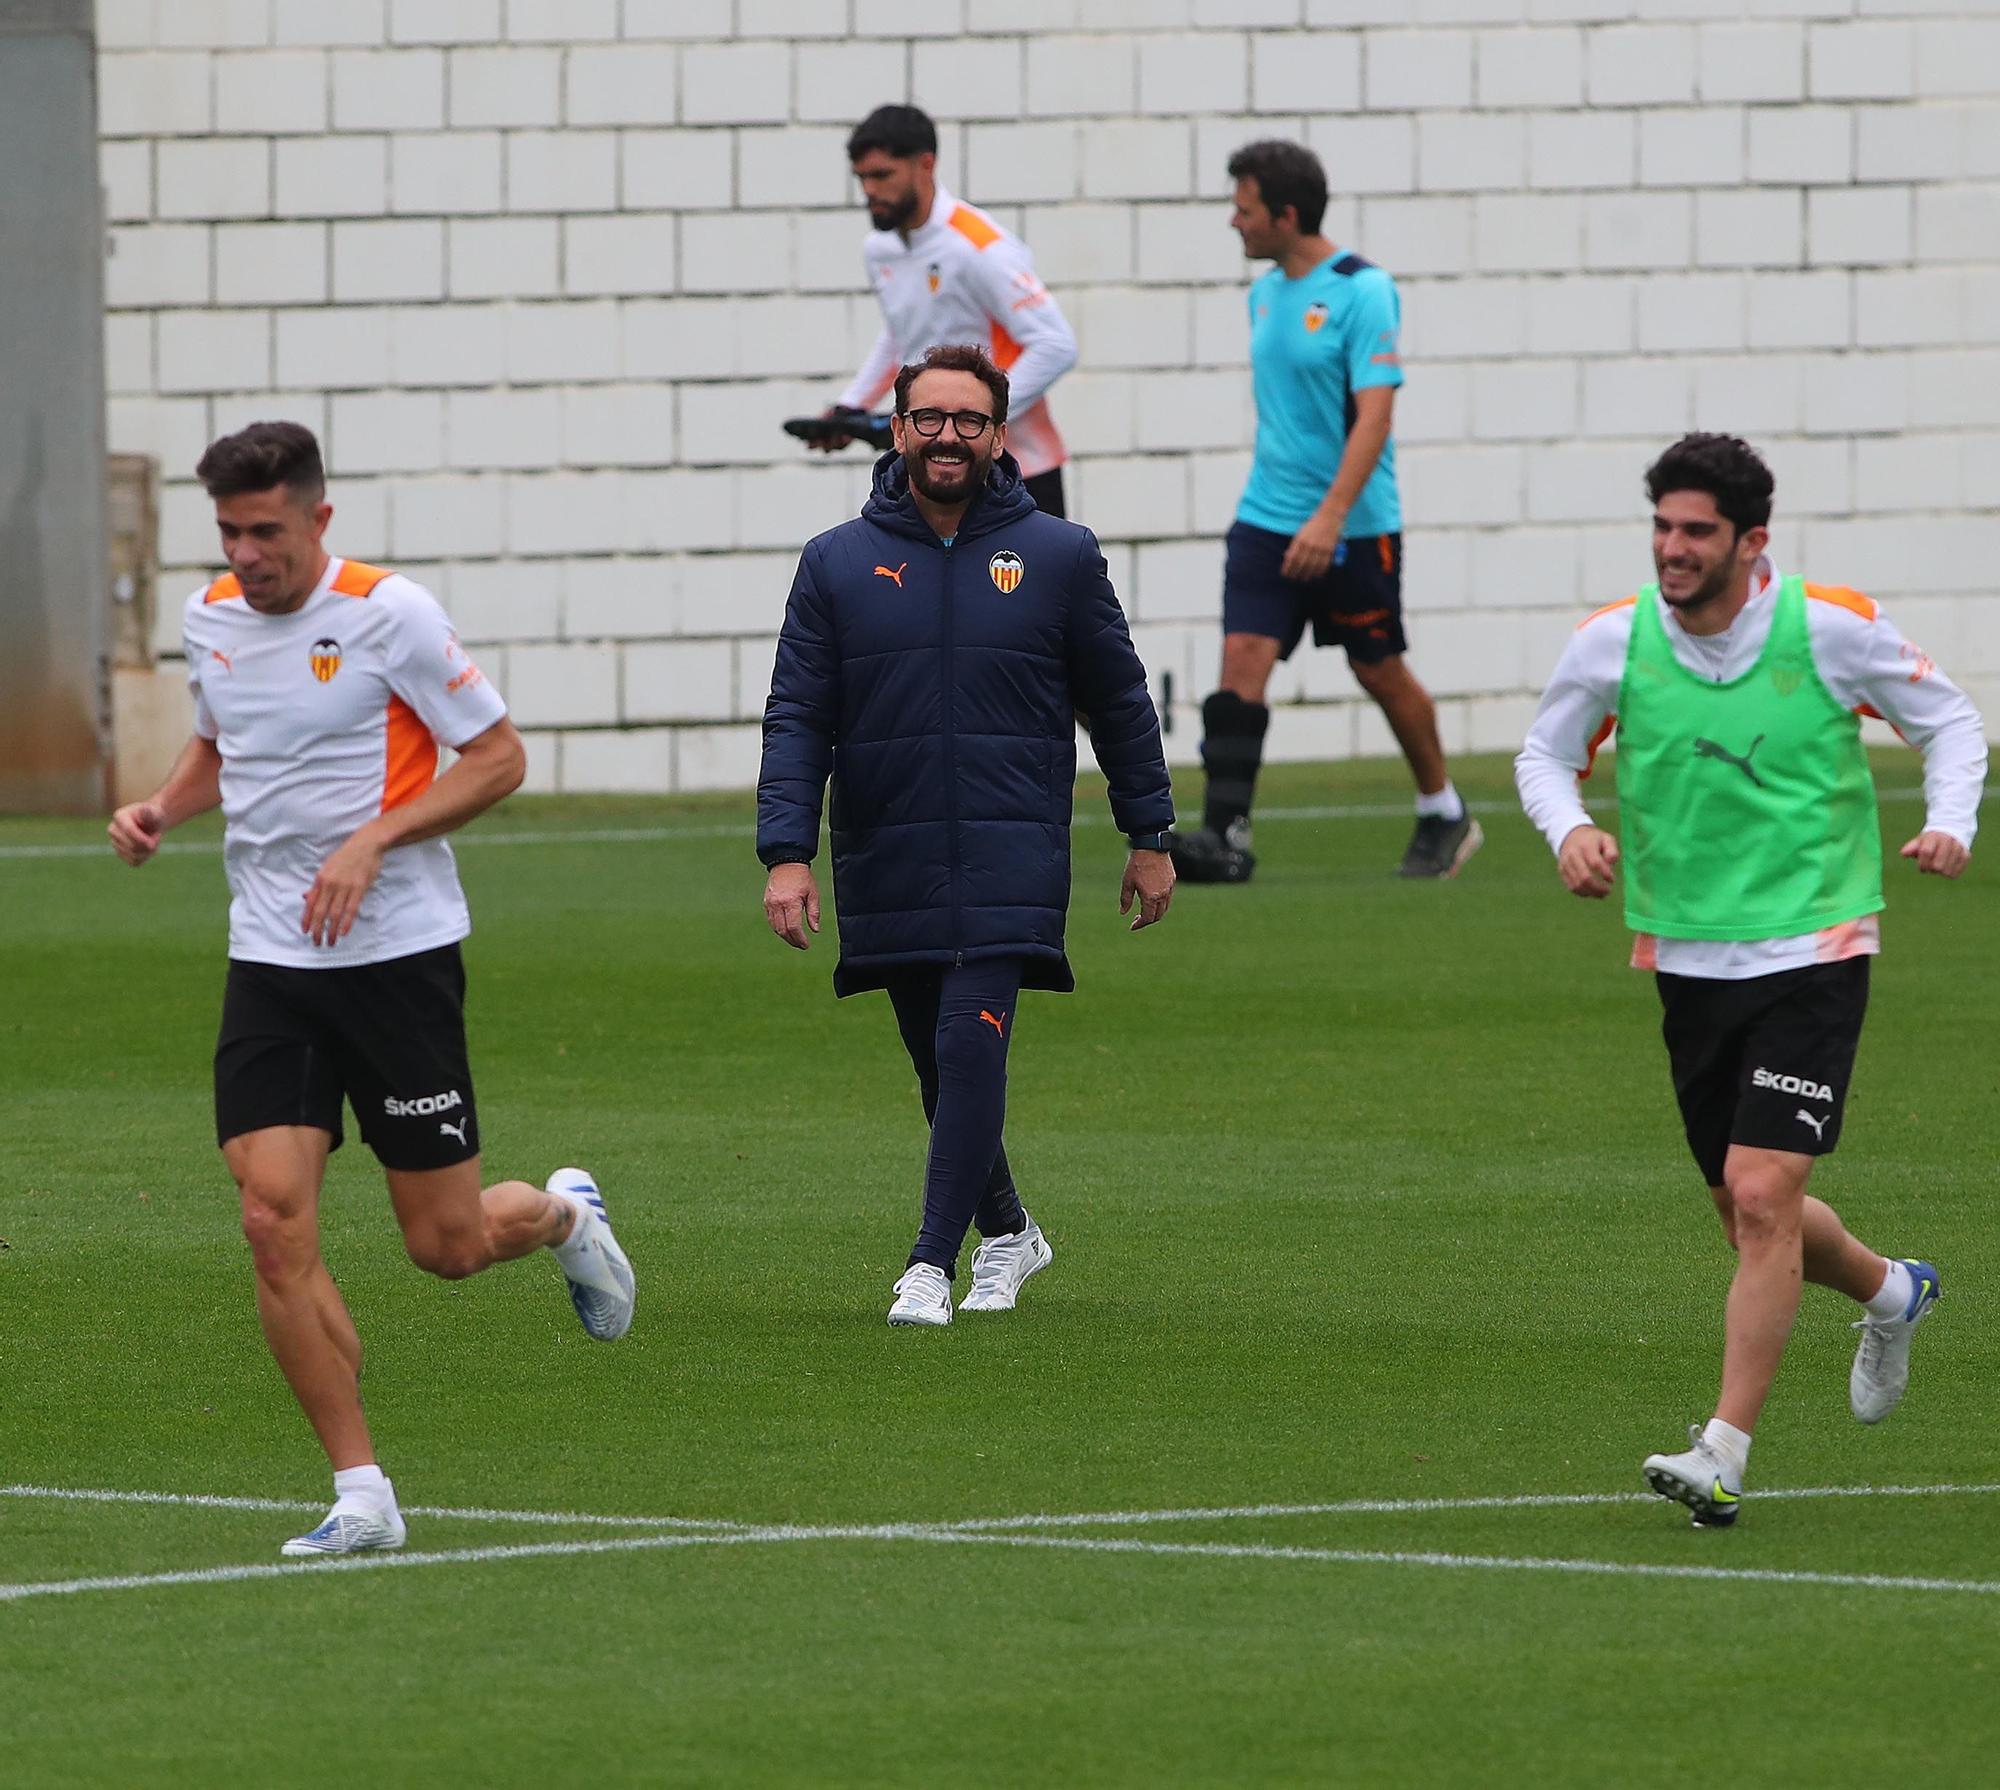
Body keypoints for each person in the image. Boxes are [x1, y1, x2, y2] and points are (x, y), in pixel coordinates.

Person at [107, 422, 636, 1558]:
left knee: (443, 1244)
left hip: (395, 960)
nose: (247, 555)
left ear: (318, 519)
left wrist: (373, 840)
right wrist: (160, 806)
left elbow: (497, 755)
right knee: (269, 1217)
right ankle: (363, 1492)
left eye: (267, 530)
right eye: (230, 532)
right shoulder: (211, 620)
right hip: (271, 964)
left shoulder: (389, 614)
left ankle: (559, 1215)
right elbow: (218, 747)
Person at [1515, 432, 1985, 1528]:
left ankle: (1720, 1450)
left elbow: (1948, 717)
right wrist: (1568, 828)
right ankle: (1888, 1288)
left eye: (1696, 532)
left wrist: (1948, 819)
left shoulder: (1827, 628)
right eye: (1662, 529)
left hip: (1816, 944)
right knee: (1745, 1211)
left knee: (1767, 1190)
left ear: (1749, 541)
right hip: (1684, 952)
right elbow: (1544, 752)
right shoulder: (1613, 643)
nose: (1672, 550)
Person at [758, 344, 1175, 1327]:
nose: (948, 435)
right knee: (939, 1065)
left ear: (998, 435)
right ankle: (1011, 1230)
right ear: (897, 428)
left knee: (969, 1036)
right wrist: (785, 851)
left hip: (1010, 847)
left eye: (969, 420)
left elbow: (1119, 701)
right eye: (929, 417)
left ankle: (926, 1263)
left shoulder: (1060, 556)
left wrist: (1148, 830)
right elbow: (796, 715)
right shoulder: (834, 563)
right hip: (885, 848)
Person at [1172, 139, 1476, 885]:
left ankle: (1444, 809)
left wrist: (1330, 517)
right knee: (1240, 666)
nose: (1233, 222)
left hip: (1352, 527)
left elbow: (1374, 417)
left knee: (1379, 670)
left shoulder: (1364, 291)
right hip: (1265, 516)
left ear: (1286, 213)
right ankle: (1226, 837)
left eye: (1244, 210)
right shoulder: (1263, 293)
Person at [810, 103, 1079, 518]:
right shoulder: (881, 249)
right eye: (862, 178)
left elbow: (1055, 344)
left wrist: (974, 419)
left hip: (1018, 471)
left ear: (925, 165)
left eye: (882, 175)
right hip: (934, 468)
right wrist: (850, 409)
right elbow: (904, 333)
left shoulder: (976, 246)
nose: (869, 191)